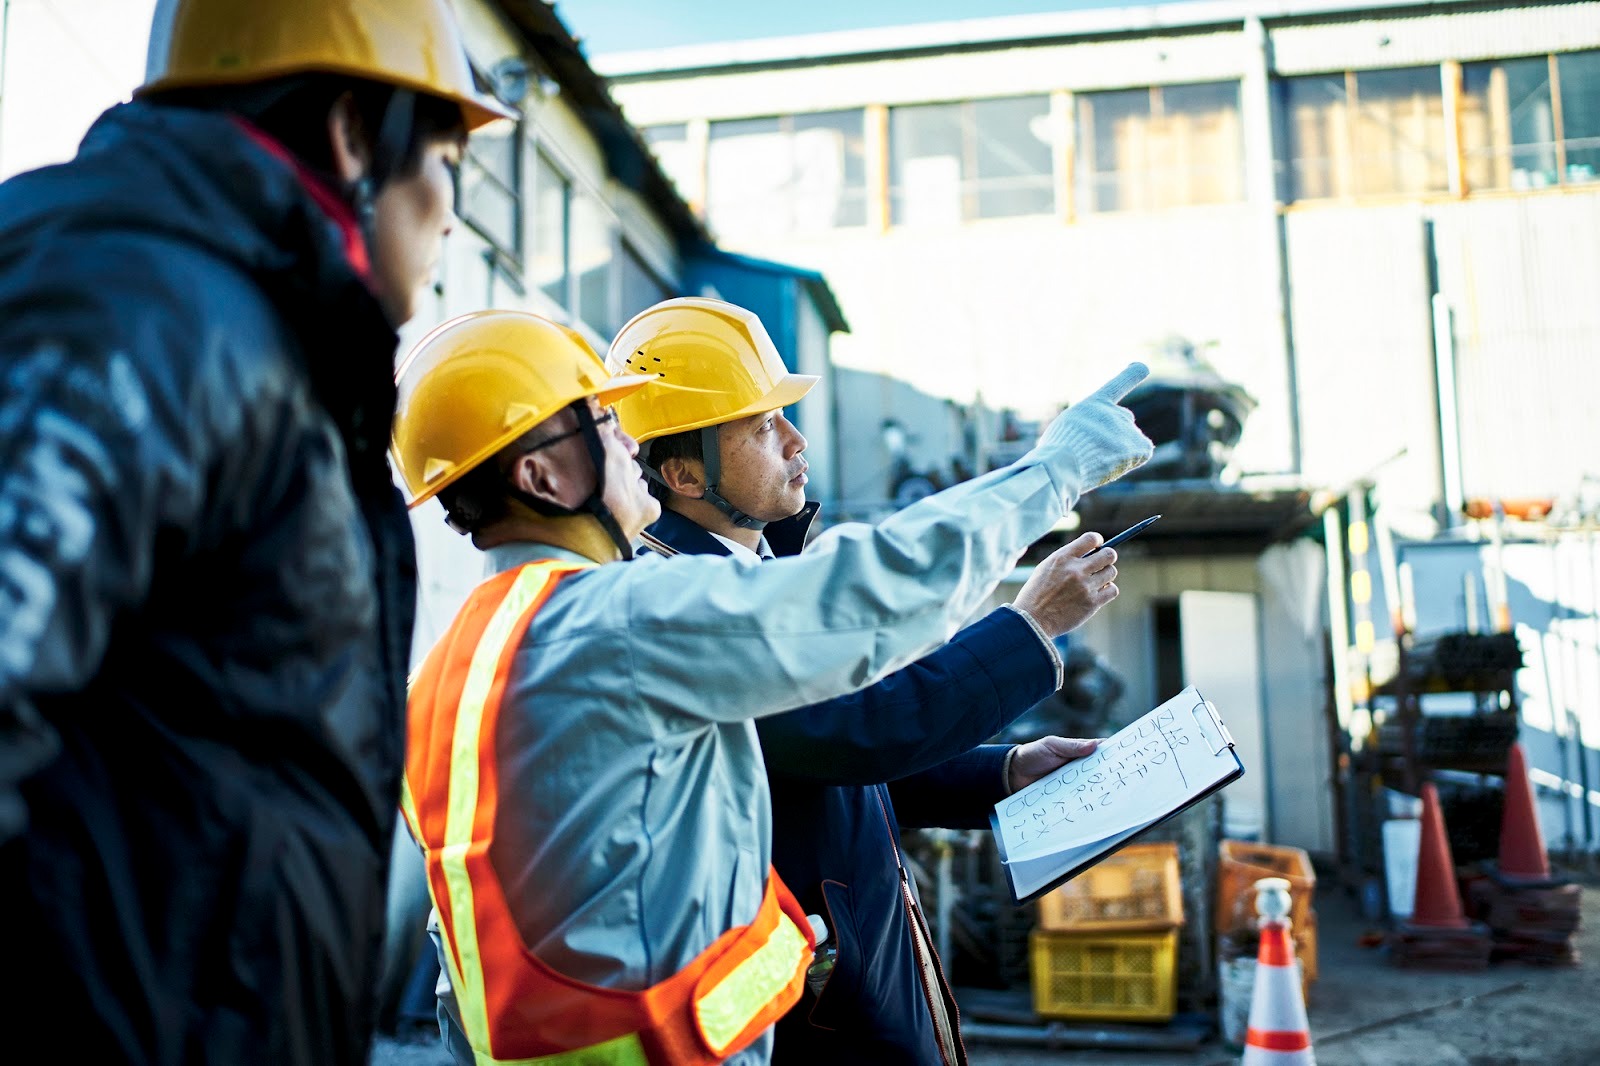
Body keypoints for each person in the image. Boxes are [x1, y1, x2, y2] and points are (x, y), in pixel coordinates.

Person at [390, 307, 1152, 1065]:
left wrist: (1004, 771)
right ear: (540, 475)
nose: (628, 441)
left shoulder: (454, 664)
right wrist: (1051, 474)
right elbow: (867, 599)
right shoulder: (623, 618)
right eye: (598, 420)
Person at [0, 2, 512, 1062]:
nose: (452, 213)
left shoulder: (252, 328)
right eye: (449, 156)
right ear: (353, 134)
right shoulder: (142, 303)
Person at [608, 297, 1121, 1064]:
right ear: (682, 472)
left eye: (784, 415)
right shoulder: (685, 608)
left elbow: (830, 769)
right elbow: (859, 732)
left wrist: (1006, 771)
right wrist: (1030, 626)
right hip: (809, 1018)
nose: (795, 439)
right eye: (759, 426)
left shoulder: (751, 577)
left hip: (846, 989)